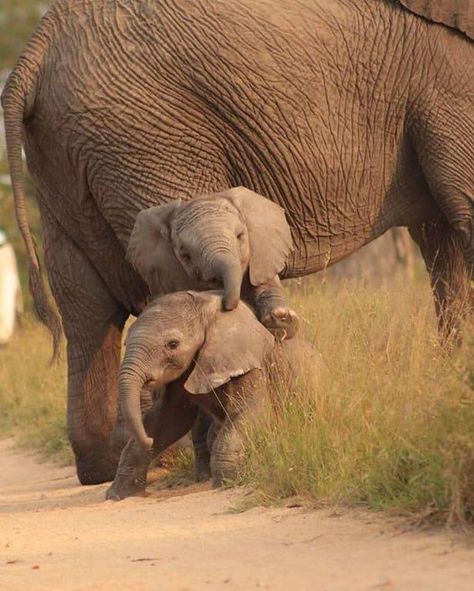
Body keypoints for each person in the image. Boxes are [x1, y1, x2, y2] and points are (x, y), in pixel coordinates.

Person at [0, 228, 23, 345]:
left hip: (8, 284)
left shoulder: (5, 251)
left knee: (7, 309)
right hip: (9, 283)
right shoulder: (7, 250)